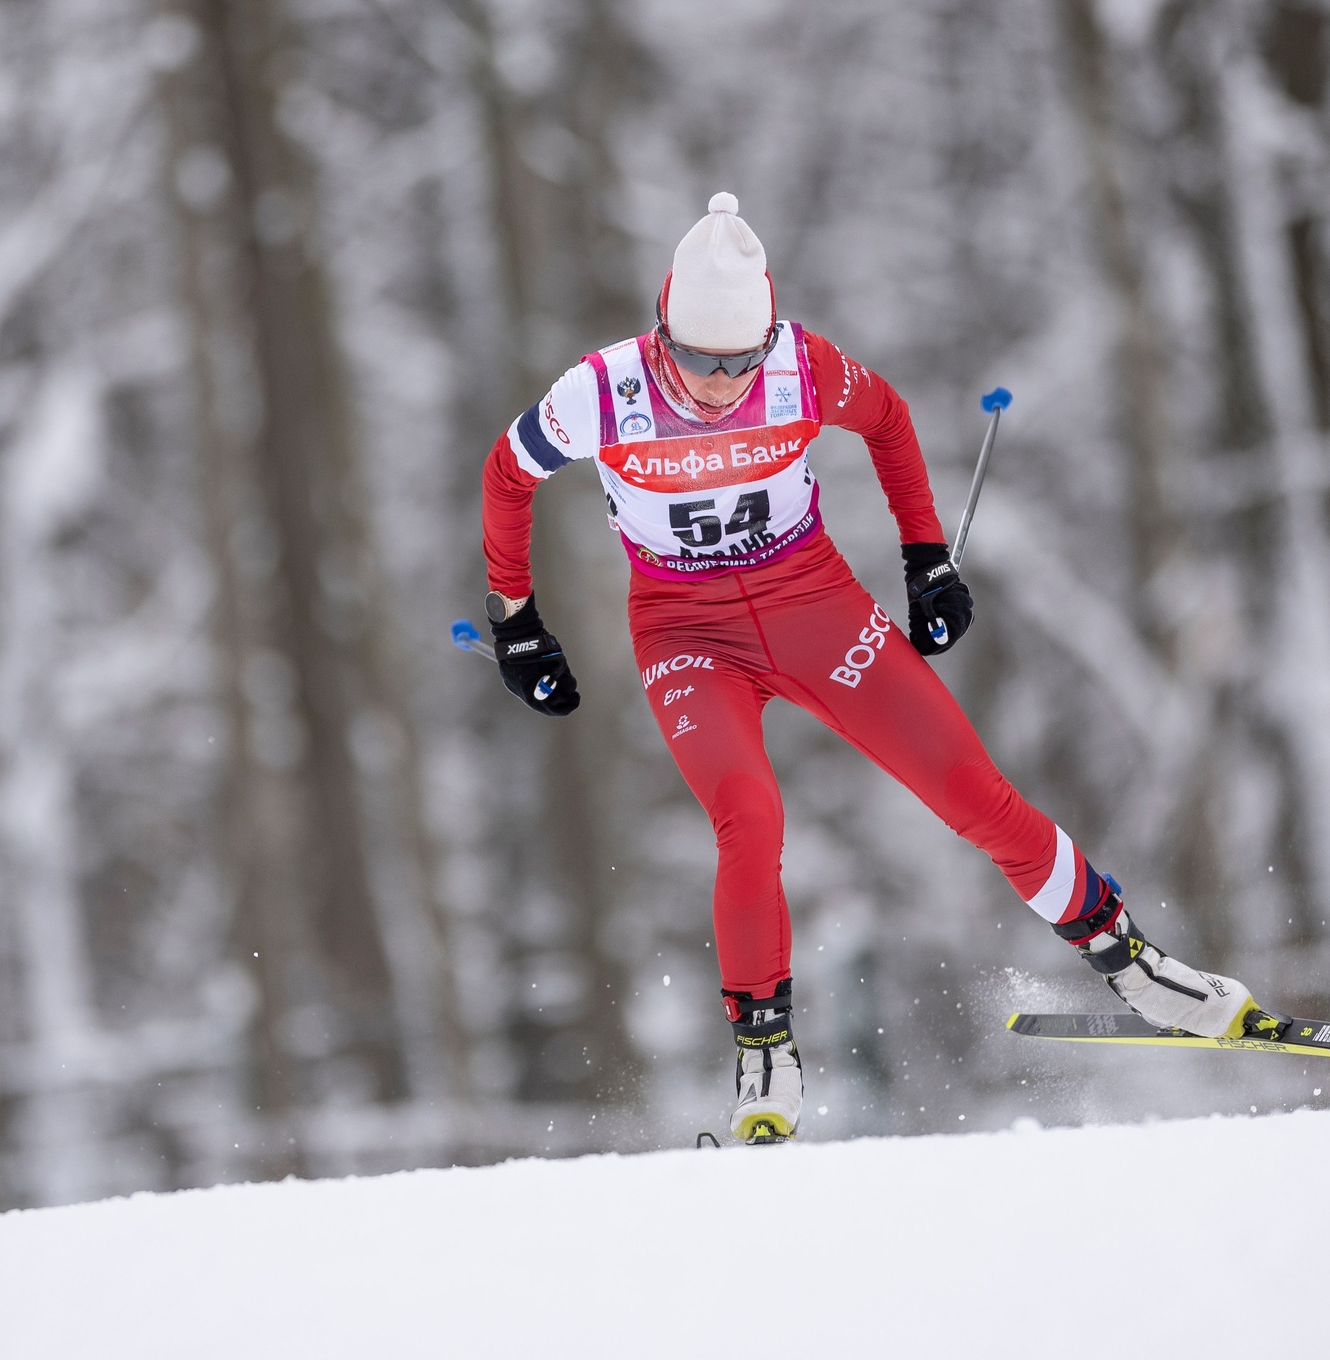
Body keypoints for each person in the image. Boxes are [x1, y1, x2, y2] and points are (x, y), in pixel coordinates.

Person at [478, 193, 1258, 1142]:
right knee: (749, 814)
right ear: (661, 332)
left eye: (740, 359)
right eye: (697, 360)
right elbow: (507, 474)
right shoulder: (600, 391)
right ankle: (765, 1053)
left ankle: (1131, 961)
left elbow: (886, 420)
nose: (721, 384)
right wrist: (515, 620)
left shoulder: (801, 366)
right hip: (687, 631)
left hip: (812, 602)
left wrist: (925, 557)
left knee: (970, 788)